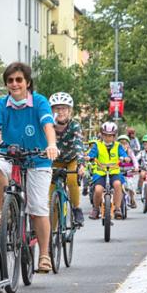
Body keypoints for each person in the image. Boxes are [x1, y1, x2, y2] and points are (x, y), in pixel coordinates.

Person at [0, 62, 58, 273]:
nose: (14, 84)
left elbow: (48, 125)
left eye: (19, 80)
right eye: (10, 80)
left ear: (27, 82)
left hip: (37, 158)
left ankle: (45, 254)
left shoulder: (39, 102)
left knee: (38, 208)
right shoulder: (1, 105)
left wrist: (52, 145)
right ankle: (7, 210)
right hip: (11, 156)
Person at [49, 92, 85, 225]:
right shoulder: (49, 125)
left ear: (69, 110)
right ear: (52, 110)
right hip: (54, 161)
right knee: (50, 195)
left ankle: (76, 208)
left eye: (64, 108)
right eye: (57, 108)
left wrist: (81, 164)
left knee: (72, 180)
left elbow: (79, 145)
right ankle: (51, 235)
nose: (60, 111)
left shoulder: (74, 125)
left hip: (71, 159)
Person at [87, 122, 129, 220]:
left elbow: (124, 154)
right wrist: (89, 157)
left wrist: (126, 158)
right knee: (98, 190)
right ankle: (95, 209)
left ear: (114, 136)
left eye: (110, 135)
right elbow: (92, 154)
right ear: (101, 135)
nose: (108, 138)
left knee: (118, 184)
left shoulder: (118, 146)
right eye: (105, 135)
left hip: (114, 171)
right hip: (100, 171)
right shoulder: (97, 145)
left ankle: (117, 209)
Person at [117, 134, 138, 209]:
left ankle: (132, 199)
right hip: (118, 172)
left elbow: (135, 160)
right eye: (121, 143)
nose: (123, 145)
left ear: (128, 144)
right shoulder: (116, 152)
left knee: (130, 185)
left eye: (125, 143)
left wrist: (136, 167)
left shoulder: (130, 152)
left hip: (128, 171)